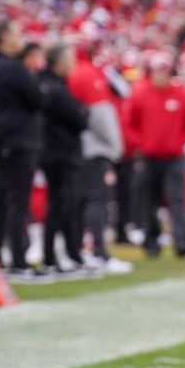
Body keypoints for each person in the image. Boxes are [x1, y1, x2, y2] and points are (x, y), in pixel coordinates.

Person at [0, 22, 45, 280]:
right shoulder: (10, 66)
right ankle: (17, 260)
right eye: (18, 33)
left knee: (3, 202)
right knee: (16, 203)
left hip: (5, 142)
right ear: (5, 37)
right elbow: (37, 98)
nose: (22, 38)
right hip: (17, 143)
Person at [126, 53, 185, 259]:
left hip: (174, 157)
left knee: (177, 198)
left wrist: (179, 142)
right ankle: (151, 240)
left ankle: (181, 240)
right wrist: (141, 143)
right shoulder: (140, 94)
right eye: (157, 71)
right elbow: (129, 123)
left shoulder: (180, 94)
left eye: (164, 71)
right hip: (149, 157)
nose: (160, 75)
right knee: (149, 200)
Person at [68, 45, 131, 274]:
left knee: (79, 202)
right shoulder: (87, 73)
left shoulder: (73, 72)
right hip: (93, 149)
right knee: (98, 201)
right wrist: (116, 147)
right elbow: (101, 116)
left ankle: (77, 252)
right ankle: (99, 253)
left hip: (76, 149)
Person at [38, 44, 90, 276]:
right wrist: (81, 111)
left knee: (61, 205)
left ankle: (67, 255)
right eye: (70, 59)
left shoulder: (50, 84)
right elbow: (80, 119)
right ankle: (55, 257)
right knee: (62, 206)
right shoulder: (56, 89)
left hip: (54, 153)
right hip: (61, 154)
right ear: (59, 61)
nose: (73, 64)